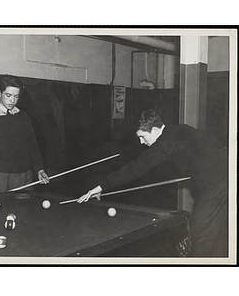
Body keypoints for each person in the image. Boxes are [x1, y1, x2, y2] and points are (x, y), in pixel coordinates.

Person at [78, 109, 228, 257]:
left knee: (199, 235)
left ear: (155, 130)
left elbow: (136, 168)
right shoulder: (178, 129)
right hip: (223, 176)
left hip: (218, 183)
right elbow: (207, 139)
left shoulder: (165, 143)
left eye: (143, 137)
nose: (141, 142)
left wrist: (101, 187)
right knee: (216, 232)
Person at [0, 75, 49, 197]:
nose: (12, 101)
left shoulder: (24, 117)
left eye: (16, 96)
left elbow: (33, 146)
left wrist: (40, 170)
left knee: (24, 212)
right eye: (8, 96)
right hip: (0, 177)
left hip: (24, 175)